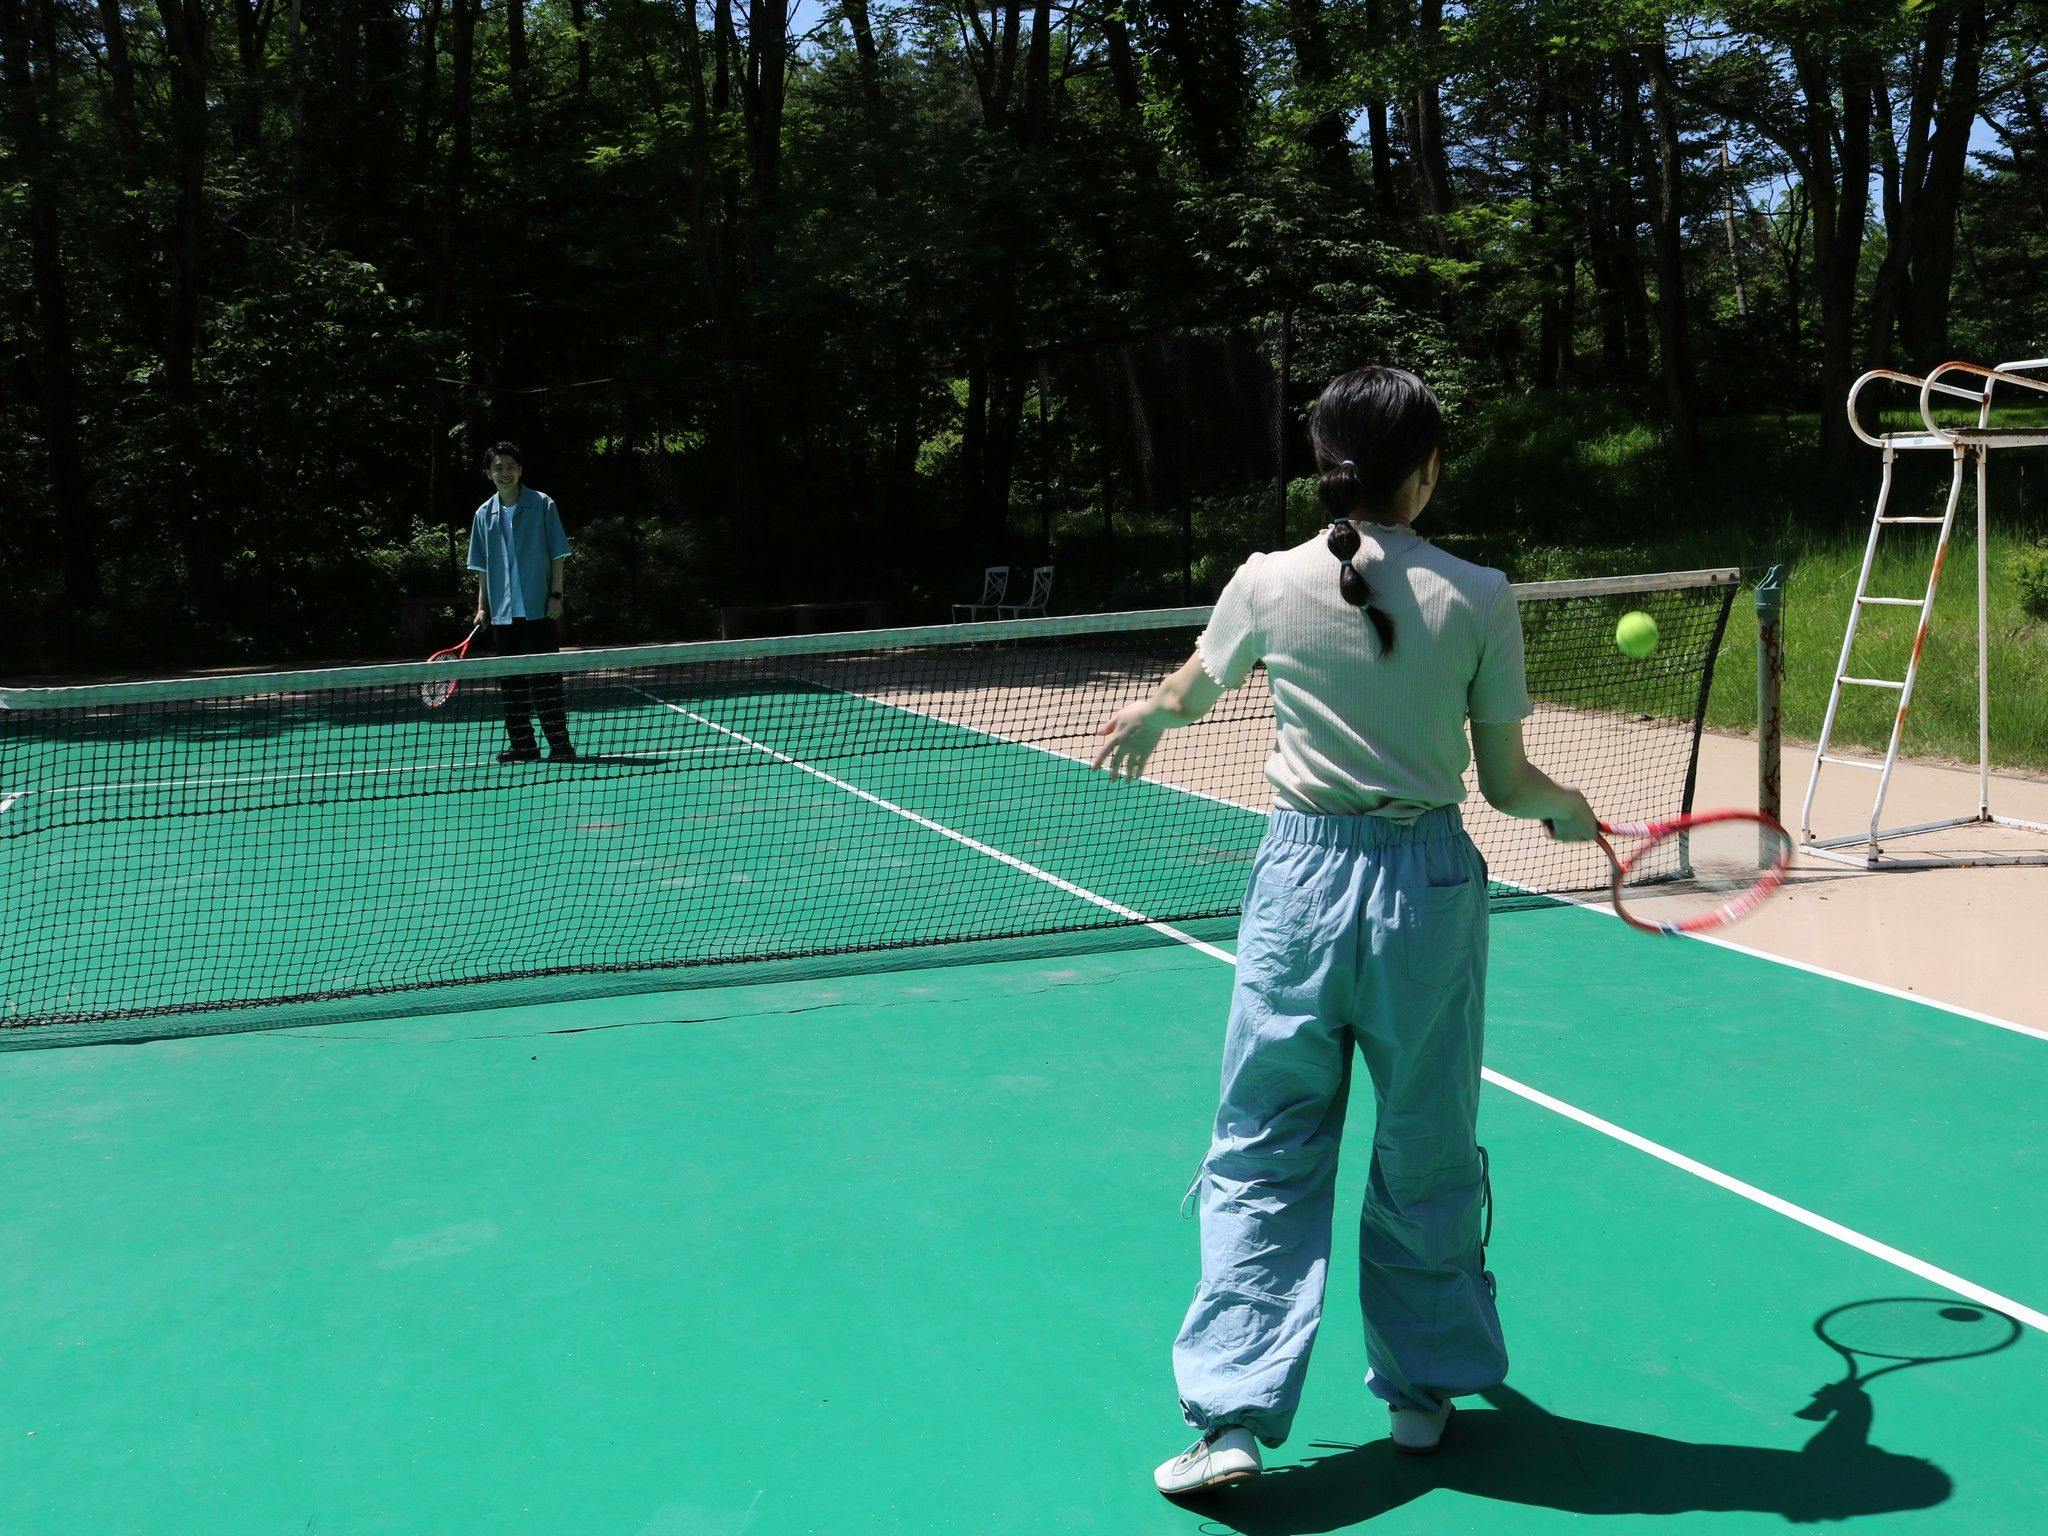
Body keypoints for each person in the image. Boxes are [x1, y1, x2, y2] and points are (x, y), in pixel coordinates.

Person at [1090, 366, 1599, 1497]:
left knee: (1263, 1145)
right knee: (1425, 1140)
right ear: (1425, 471)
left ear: (1323, 467)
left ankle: (1227, 1418)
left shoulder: (1263, 582)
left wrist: (1149, 716)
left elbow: (1187, 693)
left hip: (1299, 888)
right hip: (1425, 888)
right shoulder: (1480, 592)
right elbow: (1509, 789)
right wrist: (1569, 811)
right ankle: (1421, 1391)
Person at [467, 441, 576, 763]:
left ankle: (560, 745)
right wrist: (481, 607)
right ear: (488, 473)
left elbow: (558, 554)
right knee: (511, 685)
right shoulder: (483, 514)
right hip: (502, 615)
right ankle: (524, 746)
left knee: (546, 681)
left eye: (510, 466)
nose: (505, 473)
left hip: (538, 610)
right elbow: (482, 568)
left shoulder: (543, 504)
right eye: (498, 468)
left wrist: (555, 595)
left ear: (520, 470)